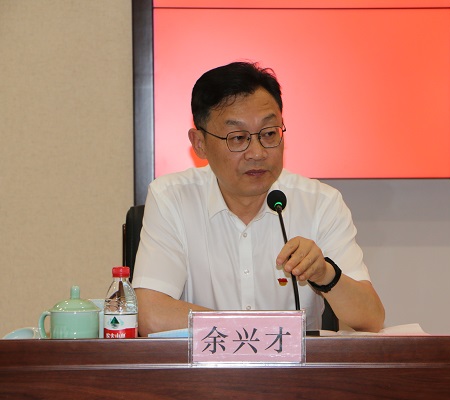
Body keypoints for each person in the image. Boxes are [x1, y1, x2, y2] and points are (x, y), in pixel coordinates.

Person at [132, 61, 385, 336]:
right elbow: (150, 314)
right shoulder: (172, 198)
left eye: (269, 134)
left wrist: (325, 274)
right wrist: (261, 333)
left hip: (296, 366)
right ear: (200, 143)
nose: (257, 153)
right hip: (206, 364)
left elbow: (371, 319)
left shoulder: (321, 203)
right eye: (238, 138)